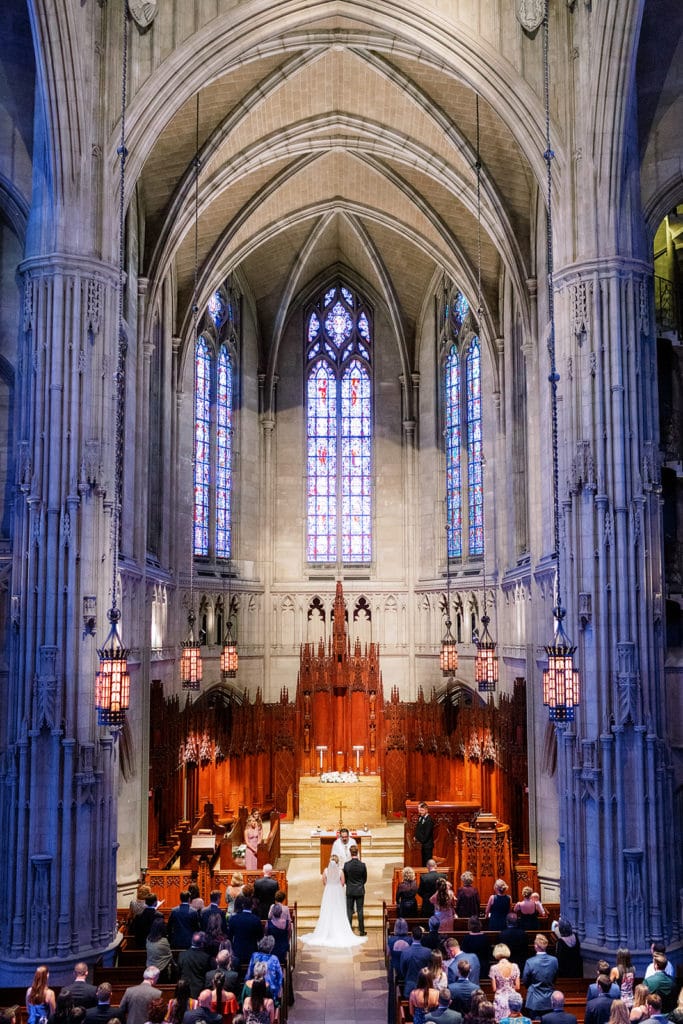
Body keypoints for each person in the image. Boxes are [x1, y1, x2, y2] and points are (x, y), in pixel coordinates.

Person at [301, 853, 366, 947]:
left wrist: (329, 885)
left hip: (328, 891)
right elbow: (343, 883)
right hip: (337, 891)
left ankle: (327, 931)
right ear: (337, 862)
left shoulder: (326, 871)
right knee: (339, 909)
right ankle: (340, 930)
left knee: (328, 909)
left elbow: (324, 881)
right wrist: (337, 885)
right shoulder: (340, 871)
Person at [521, 935, 558, 1018]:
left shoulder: (530, 962)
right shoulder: (554, 960)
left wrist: (532, 987)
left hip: (534, 1000)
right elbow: (555, 978)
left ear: (536, 946)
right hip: (549, 999)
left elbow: (525, 980)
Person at [226, 896, 263, 965]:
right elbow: (260, 937)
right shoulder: (256, 920)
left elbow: (229, 937)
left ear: (243, 906)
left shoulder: (234, 919)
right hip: (253, 954)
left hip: (237, 954)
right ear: (252, 906)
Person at [489, 944, 520, 1022]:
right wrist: (510, 987)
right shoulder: (515, 966)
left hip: (500, 1000)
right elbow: (518, 987)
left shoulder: (494, 968)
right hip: (513, 1000)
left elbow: (494, 989)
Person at [246, 936, 283, 1002]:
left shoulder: (255, 956)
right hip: (270, 990)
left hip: (256, 988)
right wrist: (280, 988)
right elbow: (280, 976)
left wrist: (247, 983)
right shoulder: (274, 958)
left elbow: (249, 973)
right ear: (271, 948)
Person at [401, 927, 434, 998]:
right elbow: (431, 968)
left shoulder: (405, 952)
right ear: (422, 936)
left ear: (411, 936)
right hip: (425, 986)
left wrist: (408, 976)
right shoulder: (428, 952)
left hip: (410, 985)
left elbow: (403, 970)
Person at [179, 934, 213, 999]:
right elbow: (208, 975)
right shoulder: (206, 957)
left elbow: (179, 972)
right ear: (202, 944)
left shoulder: (182, 955)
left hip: (184, 989)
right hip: (199, 990)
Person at [343, 845, 367, 935]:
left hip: (350, 890)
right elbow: (365, 879)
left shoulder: (346, 865)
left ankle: (349, 930)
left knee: (349, 910)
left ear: (350, 852)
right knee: (360, 910)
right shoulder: (362, 865)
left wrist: (349, 885)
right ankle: (361, 931)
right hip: (360, 890)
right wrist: (360, 884)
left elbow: (345, 878)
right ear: (357, 852)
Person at [147, 917, 177, 983]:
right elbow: (169, 955)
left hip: (150, 967)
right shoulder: (163, 941)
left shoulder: (148, 939)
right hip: (162, 970)